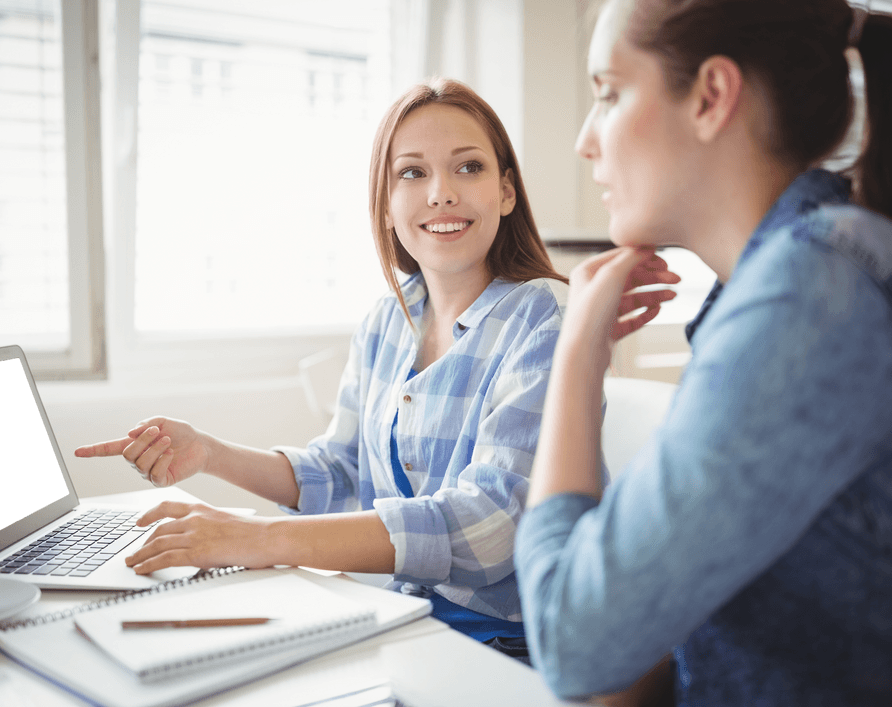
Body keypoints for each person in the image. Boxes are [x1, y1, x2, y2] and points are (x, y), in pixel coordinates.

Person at [75, 79, 641, 658]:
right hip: (407, 619)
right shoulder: (386, 320)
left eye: (468, 167)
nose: (441, 193)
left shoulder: (545, 315)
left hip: (519, 645)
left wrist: (259, 538)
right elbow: (341, 474)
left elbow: (491, 525)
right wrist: (211, 454)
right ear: (386, 205)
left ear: (505, 192)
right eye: (412, 173)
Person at [515, 0, 892, 704]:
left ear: (712, 96)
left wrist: (576, 358)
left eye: (610, 93)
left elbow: (572, 642)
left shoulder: (814, 294)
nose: (585, 140)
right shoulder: (804, 274)